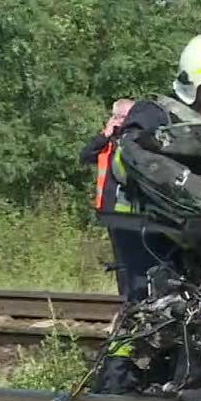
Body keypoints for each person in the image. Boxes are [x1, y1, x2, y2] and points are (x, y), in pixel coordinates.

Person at [92, 33, 201, 395]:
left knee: (199, 295)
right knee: (149, 302)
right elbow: (138, 157)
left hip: (185, 224)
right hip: (138, 225)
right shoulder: (152, 113)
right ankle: (114, 386)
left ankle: (177, 373)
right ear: (192, 86)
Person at [80, 99, 135, 296]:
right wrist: (105, 134)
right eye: (120, 117)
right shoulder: (107, 144)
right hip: (111, 209)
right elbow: (85, 156)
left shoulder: (136, 138)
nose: (124, 121)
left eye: (127, 116)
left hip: (135, 209)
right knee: (121, 258)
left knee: (136, 257)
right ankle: (125, 299)